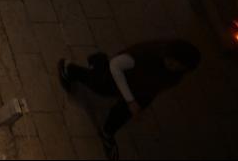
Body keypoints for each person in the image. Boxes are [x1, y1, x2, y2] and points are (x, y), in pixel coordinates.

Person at [59, 39, 200, 159]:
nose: (172, 66)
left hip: (139, 89)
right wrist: (130, 100)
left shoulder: (175, 75)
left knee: (124, 112)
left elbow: (157, 86)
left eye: (178, 66)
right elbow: (115, 65)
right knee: (99, 84)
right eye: (172, 61)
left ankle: (107, 132)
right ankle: (71, 68)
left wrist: (137, 104)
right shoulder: (145, 54)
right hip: (119, 77)